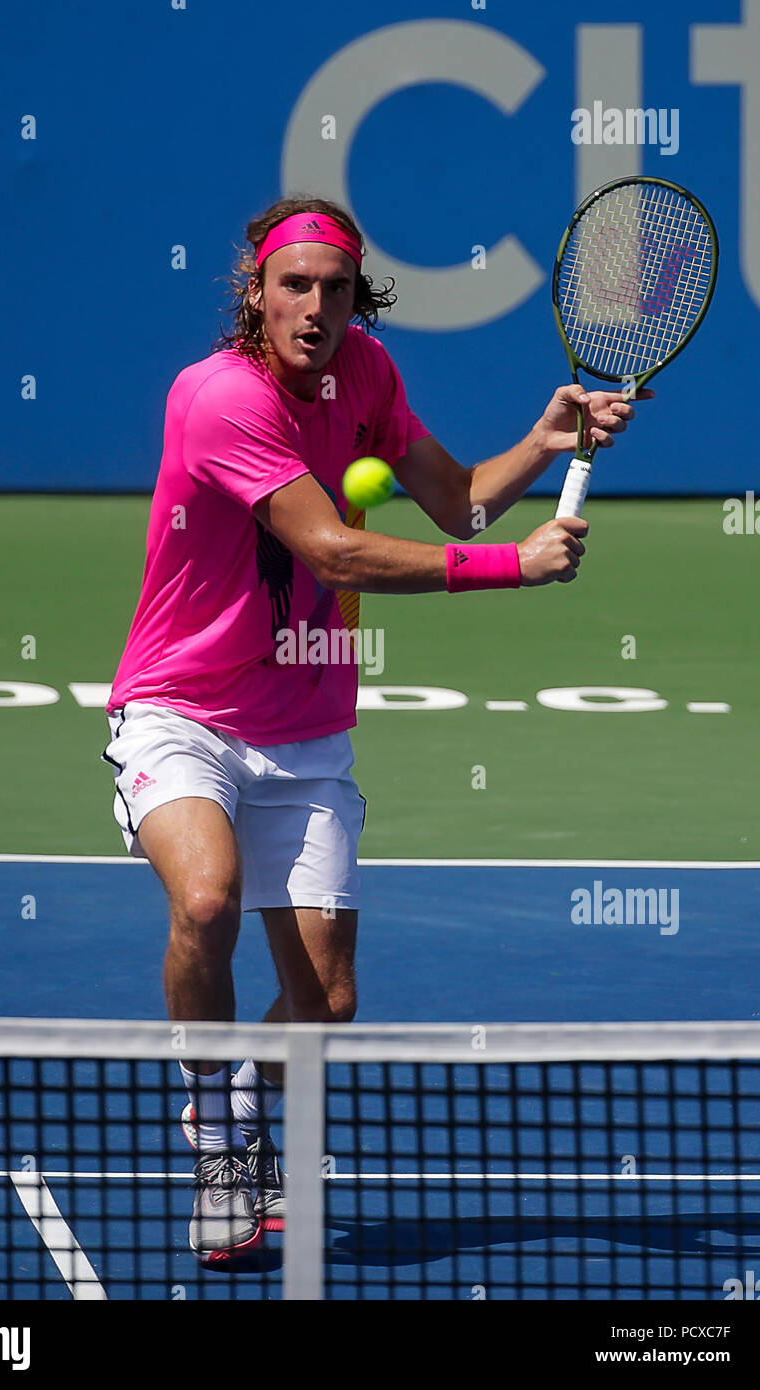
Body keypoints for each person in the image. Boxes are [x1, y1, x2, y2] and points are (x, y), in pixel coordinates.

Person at [102, 195, 650, 1264]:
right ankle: (214, 1128)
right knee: (206, 898)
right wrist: (515, 567)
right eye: (293, 286)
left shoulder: (368, 378)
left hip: (305, 725)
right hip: (183, 708)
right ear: (253, 293)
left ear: (360, 299)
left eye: (335, 289)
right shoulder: (215, 397)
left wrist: (542, 442)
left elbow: (459, 504)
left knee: (329, 1000)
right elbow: (336, 552)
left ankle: (253, 1107)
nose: (313, 307)